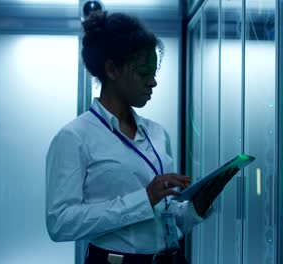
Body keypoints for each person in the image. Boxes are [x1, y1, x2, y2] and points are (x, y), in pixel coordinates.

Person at [45, 11, 238, 264]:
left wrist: (197, 207)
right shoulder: (74, 137)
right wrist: (143, 199)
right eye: (143, 72)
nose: (153, 82)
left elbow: (166, 215)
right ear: (112, 69)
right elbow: (59, 223)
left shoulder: (157, 133)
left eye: (154, 71)